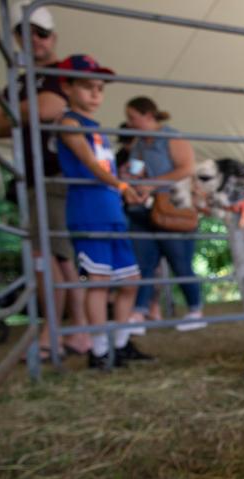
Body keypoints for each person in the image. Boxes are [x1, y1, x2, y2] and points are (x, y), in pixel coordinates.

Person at [0, 3, 91, 359]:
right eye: (24, 33)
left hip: (54, 177)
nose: (33, 40)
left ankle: (57, 331)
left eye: (41, 32)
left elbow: (47, 110)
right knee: (58, 258)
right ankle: (74, 332)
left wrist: (18, 110)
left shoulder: (61, 73)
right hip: (34, 179)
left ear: (53, 37)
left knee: (50, 256)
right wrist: (29, 107)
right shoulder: (18, 78)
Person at [56, 54, 152, 368]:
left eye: (100, 88)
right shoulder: (69, 123)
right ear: (67, 86)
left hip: (112, 211)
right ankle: (99, 351)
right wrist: (124, 186)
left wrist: (125, 187)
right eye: (87, 87)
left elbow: (105, 170)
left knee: (130, 279)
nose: (96, 94)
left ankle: (120, 344)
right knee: (98, 281)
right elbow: (91, 166)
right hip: (88, 210)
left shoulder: (95, 127)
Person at [123, 97, 205, 331]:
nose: (129, 123)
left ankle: (195, 310)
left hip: (172, 208)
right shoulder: (139, 143)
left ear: (148, 115)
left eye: (132, 117)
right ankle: (138, 312)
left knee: (180, 262)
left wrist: (151, 183)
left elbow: (187, 168)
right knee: (143, 263)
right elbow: (138, 171)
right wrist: (133, 180)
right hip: (144, 209)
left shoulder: (171, 138)